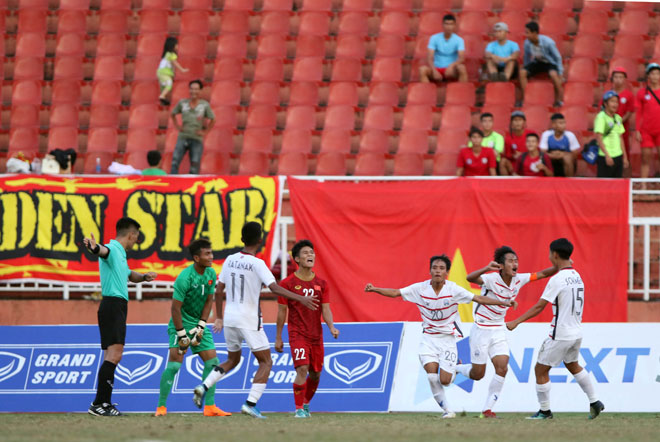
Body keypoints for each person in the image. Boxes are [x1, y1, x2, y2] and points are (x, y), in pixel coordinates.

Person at [193, 222, 319, 419]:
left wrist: (218, 317)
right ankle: (250, 404)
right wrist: (301, 298)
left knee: (232, 359)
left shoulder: (230, 259)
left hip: (230, 318)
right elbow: (275, 288)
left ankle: (204, 385)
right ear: (260, 240)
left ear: (242, 239)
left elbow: (219, 290)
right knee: (266, 362)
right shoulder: (257, 263)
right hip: (249, 319)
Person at [364, 255, 512, 418]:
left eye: (441, 268)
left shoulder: (453, 289)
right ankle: (448, 411)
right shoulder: (419, 289)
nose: (437, 271)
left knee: (445, 380)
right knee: (432, 376)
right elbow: (395, 293)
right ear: (429, 271)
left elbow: (477, 297)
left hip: (448, 340)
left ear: (447, 272)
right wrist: (375, 289)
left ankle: (456, 368)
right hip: (428, 339)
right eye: (435, 268)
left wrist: (502, 302)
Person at [506, 238, 605, 420]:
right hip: (576, 333)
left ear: (555, 255)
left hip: (560, 334)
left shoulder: (557, 279)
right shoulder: (577, 276)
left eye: (550, 253)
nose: (549, 256)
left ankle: (545, 411)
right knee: (573, 365)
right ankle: (595, 401)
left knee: (540, 370)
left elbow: (539, 307)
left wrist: (516, 321)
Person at [455, 246, 558, 418]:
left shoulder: (519, 279)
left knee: (502, 368)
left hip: (499, 329)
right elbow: (469, 278)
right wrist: (487, 268)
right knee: (477, 374)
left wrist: (559, 267)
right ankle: (457, 368)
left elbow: (540, 274)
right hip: (481, 329)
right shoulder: (491, 278)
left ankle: (487, 409)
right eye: (510, 261)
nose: (515, 263)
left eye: (516, 260)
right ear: (501, 266)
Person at [83, 217, 158, 417]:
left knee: (111, 356)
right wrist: (93, 247)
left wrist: (143, 277)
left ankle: (102, 403)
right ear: (131, 234)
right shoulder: (113, 249)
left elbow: (128, 274)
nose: (136, 241)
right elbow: (102, 251)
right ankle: (100, 403)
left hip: (113, 306)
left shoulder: (120, 255)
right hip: (113, 305)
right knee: (114, 355)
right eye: (136, 237)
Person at [155, 238, 231, 418]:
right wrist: (182, 334)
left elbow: (208, 301)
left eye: (211, 253)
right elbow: (175, 308)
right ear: (197, 258)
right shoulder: (184, 278)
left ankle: (210, 407)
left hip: (198, 324)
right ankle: (161, 407)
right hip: (180, 323)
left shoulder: (211, 274)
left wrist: (202, 325)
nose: (211, 257)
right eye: (207, 254)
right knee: (174, 366)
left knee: (212, 362)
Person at [274, 240, 340, 418]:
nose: (310, 255)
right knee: (302, 368)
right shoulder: (287, 284)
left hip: (316, 335)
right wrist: (278, 337)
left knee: (316, 373)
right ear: (297, 259)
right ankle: (298, 409)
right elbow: (281, 313)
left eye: (311, 252)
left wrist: (332, 327)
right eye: (305, 253)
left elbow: (325, 308)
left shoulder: (322, 283)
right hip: (297, 334)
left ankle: (305, 403)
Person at [170, 80, 215, 175]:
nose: (193, 91)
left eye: (196, 89)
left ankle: (192, 187)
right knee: (175, 161)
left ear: (200, 91)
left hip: (196, 138)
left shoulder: (204, 105)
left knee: (195, 164)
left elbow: (213, 119)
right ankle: (172, 183)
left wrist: (205, 132)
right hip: (183, 137)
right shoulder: (182, 103)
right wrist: (177, 126)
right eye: (191, 89)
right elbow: (173, 114)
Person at [520, 22, 564, 107]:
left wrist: (560, 72)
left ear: (535, 33)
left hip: (549, 62)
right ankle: (527, 98)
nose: (526, 35)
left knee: (554, 75)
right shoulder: (527, 43)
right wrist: (527, 69)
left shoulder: (548, 42)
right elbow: (527, 57)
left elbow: (557, 57)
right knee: (522, 72)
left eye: (528, 33)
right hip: (537, 62)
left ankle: (559, 100)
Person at [419, 14, 468, 83]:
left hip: (451, 70)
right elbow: (430, 57)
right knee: (422, 70)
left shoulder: (459, 40)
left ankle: (462, 92)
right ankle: (427, 93)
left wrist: (451, 66)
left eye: (451, 24)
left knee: (462, 68)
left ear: (454, 25)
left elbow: (461, 58)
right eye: (446, 24)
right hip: (437, 68)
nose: (448, 27)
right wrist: (434, 71)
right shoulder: (434, 38)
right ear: (442, 25)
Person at [595, 90, 629, 178]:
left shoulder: (618, 118)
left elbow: (620, 138)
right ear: (605, 104)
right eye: (612, 101)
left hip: (618, 156)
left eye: (616, 102)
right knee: (604, 185)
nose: (615, 104)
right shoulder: (601, 117)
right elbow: (599, 137)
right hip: (605, 156)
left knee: (617, 183)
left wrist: (625, 157)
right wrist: (607, 155)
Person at [635, 63, 660, 179]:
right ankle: (643, 186)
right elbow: (638, 113)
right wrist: (637, 130)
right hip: (646, 131)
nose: (655, 76)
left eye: (657, 74)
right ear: (648, 76)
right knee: (645, 158)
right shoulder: (642, 93)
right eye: (652, 74)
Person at [606, 67, 635, 159]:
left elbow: (629, 111)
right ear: (612, 79)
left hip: (623, 128)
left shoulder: (628, 95)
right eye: (616, 77)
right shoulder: (607, 94)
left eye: (621, 77)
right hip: (608, 128)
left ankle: (625, 172)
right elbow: (602, 110)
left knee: (624, 153)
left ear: (624, 79)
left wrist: (619, 122)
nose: (618, 80)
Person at [501, 111, 535, 175]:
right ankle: (506, 183)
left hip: (530, 161)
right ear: (511, 123)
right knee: (503, 161)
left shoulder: (531, 134)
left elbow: (537, 152)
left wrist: (523, 155)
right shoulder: (508, 138)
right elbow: (508, 155)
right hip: (515, 163)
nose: (517, 123)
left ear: (524, 122)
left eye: (520, 120)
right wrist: (514, 156)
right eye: (515, 120)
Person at [158, 37, 189, 106]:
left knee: (164, 86)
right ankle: (162, 96)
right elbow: (175, 63)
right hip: (164, 72)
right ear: (172, 46)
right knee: (169, 84)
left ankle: (163, 100)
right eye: (176, 45)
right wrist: (182, 69)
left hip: (161, 72)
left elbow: (172, 67)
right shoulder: (171, 55)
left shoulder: (166, 54)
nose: (178, 46)